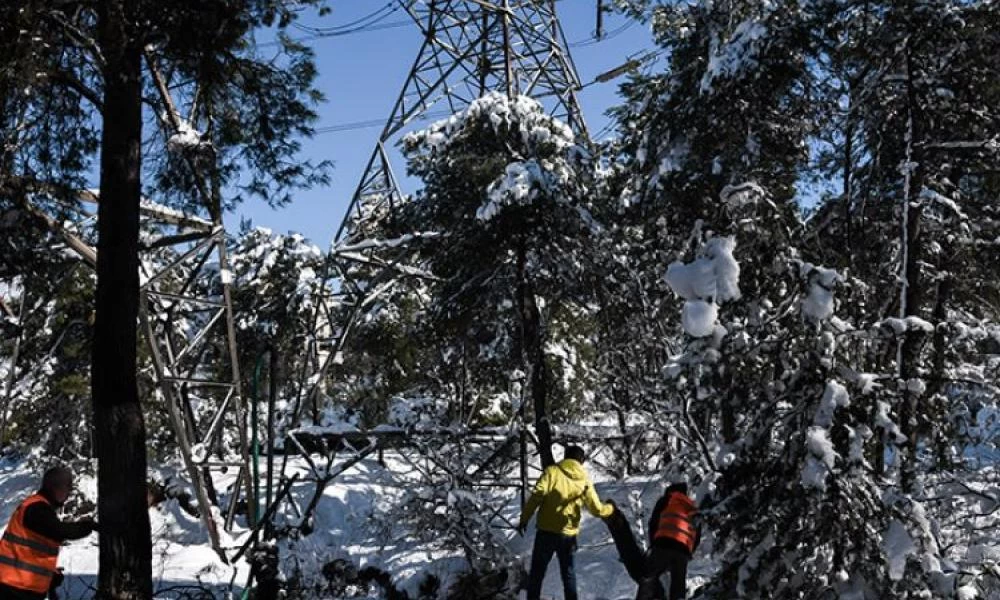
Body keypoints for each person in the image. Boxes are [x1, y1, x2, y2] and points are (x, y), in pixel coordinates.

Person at [518, 445, 615, 600]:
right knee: (568, 574)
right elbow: (596, 509)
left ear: (565, 457)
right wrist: (610, 509)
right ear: (581, 461)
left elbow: (537, 496)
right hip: (567, 536)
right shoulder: (584, 479)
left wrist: (524, 519)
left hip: (546, 532)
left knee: (537, 573)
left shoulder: (552, 472)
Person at [0, 467, 98, 600]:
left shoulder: (37, 507)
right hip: (16, 586)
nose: (68, 494)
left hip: (20, 584)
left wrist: (48, 574)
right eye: (68, 489)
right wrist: (89, 526)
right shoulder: (37, 509)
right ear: (57, 488)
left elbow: (31, 550)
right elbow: (60, 531)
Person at [636, 481, 699, 600]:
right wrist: (689, 553)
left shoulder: (667, 499)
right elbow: (697, 534)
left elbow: (654, 522)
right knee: (678, 588)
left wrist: (654, 543)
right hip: (682, 552)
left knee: (648, 578)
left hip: (663, 544)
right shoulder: (692, 507)